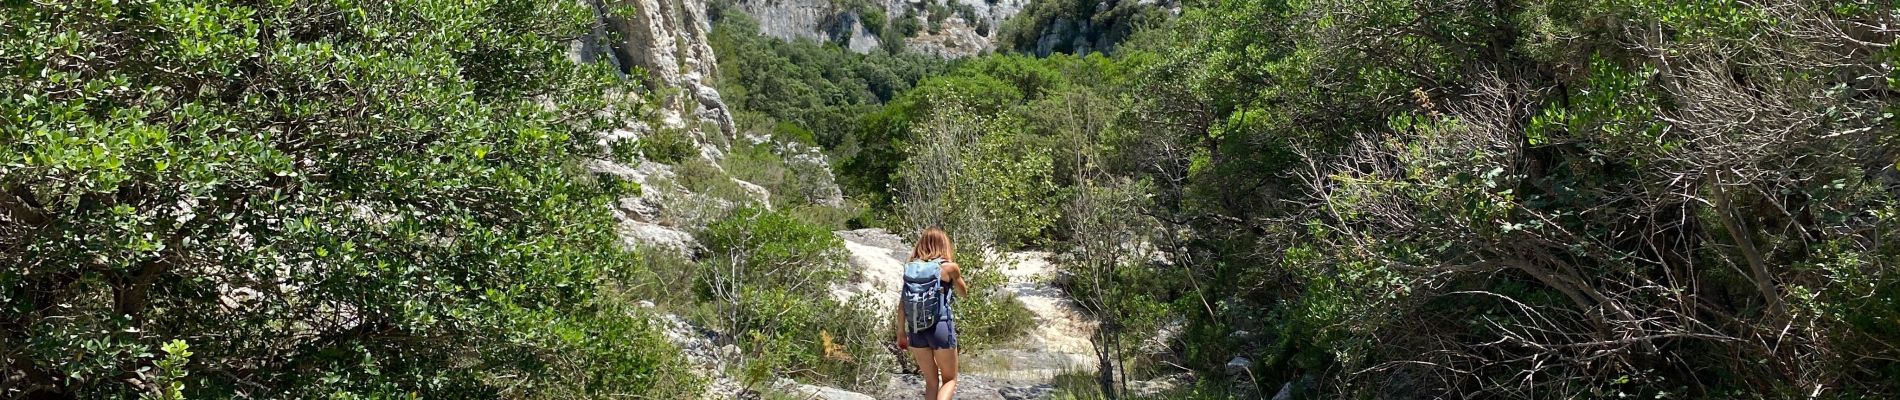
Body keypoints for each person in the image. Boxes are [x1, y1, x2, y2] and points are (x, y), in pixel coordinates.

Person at [895, 227, 969, 400]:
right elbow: (964, 293)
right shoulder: (949, 268)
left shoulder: (911, 268)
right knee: (950, 380)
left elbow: (902, 304)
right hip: (941, 326)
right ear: (944, 244)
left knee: (931, 382)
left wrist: (901, 333)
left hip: (915, 329)